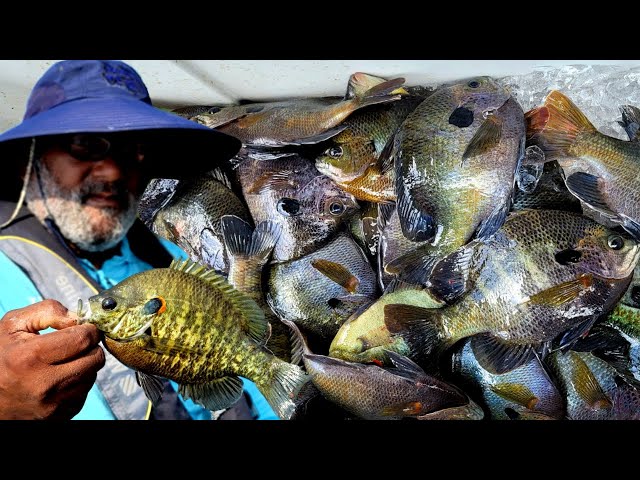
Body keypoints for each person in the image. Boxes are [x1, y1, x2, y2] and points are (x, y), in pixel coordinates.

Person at [0, 59, 278, 420]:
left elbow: (254, 393)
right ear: (29, 160)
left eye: (135, 151)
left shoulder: (169, 257)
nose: (116, 170)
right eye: (86, 143)